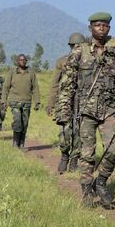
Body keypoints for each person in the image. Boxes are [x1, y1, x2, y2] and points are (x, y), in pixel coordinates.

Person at [56, 12, 115, 209]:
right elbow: (67, 83)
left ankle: (100, 182)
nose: (101, 28)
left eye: (105, 26)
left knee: (113, 149)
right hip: (86, 111)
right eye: (97, 25)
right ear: (90, 28)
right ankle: (86, 192)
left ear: (109, 28)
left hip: (110, 109)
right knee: (87, 154)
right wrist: (64, 112)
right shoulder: (79, 51)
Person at [47, 32, 85, 174]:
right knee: (64, 131)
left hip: (82, 101)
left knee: (79, 132)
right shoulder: (62, 61)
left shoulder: (88, 62)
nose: (77, 48)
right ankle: (64, 155)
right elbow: (54, 84)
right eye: (74, 45)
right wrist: (50, 103)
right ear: (70, 46)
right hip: (65, 101)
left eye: (79, 45)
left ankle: (75, 159)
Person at [2, 54, 40, 149]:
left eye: (24, 60)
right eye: (20, 60)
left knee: (25, 123)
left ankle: (22, 143)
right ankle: (15, 143)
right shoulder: (12, 72)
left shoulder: (31, 73)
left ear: (26, 61)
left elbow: (35, 88)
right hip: (15, 102)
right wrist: (4, 101)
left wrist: (37, 102)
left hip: (26, 102)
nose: (22, 61)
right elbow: (6, 87)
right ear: (17, 61)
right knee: (17, 122)